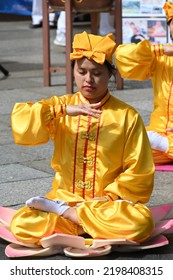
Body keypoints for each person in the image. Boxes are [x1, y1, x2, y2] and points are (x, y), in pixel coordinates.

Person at [10, 31, 154, 246]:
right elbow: (22, 118)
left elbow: (139, 170)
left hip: (105, 204)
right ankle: (85, 222)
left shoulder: (127, 115)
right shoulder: (62, 106)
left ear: (110, 74)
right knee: (23, 224)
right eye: (82, 71)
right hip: (65, 195)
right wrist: (62, 110)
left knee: (140, 223)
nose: (88, 79)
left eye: (96, 72)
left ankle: (68, 217)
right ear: (73, 72)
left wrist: (110, 198)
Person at [115, 1, 173, 166]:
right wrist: (160, 49)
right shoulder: (163, 56)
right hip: (160, 130)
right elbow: (123, 56)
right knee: (119, 149)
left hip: (160, 140)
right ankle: (164, 145)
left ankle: (164, 146)